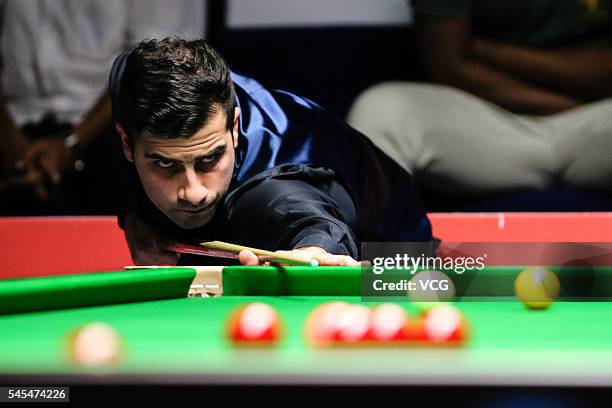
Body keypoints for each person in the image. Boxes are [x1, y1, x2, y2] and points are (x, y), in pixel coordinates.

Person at [110, 38, 433, 266]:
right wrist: (137, 216)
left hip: (392, 259)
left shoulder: (272, 183)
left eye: (209, 159)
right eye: (166, 164)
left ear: (234, 128)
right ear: (126, 142)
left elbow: (303, 216)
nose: (194, 193)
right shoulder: (132, 86)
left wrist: (314, 253)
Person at [347, 0, 612, 196]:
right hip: (488, 122)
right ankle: (389, 267)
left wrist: (483, 51)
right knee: (381, 110)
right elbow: (449, 68)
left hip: (599, 119)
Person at [0, 0, 205, 214]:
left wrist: (73, 144)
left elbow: (162, 66)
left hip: (108, 125)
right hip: (13, 124)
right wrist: (10, 141)